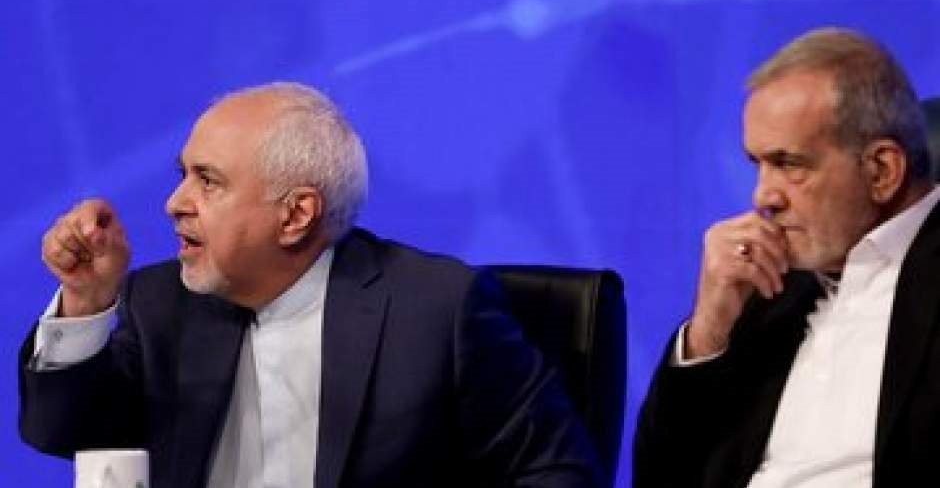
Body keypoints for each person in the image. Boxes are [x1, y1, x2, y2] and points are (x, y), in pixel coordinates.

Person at [19, 82, 601, 488]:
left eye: (208, 181)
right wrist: (87, 300)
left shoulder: (436, 310)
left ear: (296, 215)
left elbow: (558, 474)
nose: (175, 203)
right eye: (183, 175)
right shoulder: (160, 301)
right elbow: (62, 434)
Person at [634, 27, 940, 487]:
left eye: (789, 164)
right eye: (757, 164)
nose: (763, 197)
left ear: (882, 170)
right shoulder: (771, 286)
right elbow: (662, 477)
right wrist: (708, 331)